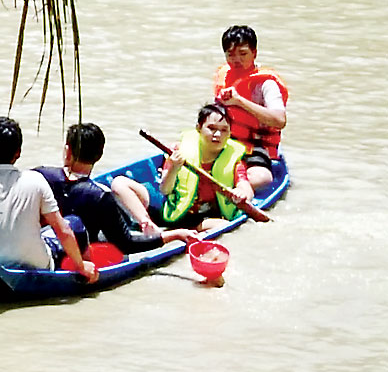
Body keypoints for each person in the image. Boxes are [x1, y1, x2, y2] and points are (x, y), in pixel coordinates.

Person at [0, 117, 98, 281]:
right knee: (74, 222)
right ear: (18, 153)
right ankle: (87, 274)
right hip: (37, 263)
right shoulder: (35, 180)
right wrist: (81, 266)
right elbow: (63, 231)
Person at [33, 123, 197, 258]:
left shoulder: (40, 175)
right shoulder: (100, 197)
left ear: (67, 151)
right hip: (80, 249)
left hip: (43, 242)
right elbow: (127, 244)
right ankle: (145, 222)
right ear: (99, 155)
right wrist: (175, 235)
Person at [110, 104, 254, 234]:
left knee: (223, 226)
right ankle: (147, 224)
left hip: (199, 217)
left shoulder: (233, 159)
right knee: (119, 183)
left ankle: (182, 231)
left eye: (224, 130)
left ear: (229, 133)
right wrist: (174, 168)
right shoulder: (178, 150)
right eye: (211, 128)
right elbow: (165, 189)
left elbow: (245, 186)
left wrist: (242, 193)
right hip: (171, 204)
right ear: (199, 128)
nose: (217, 135)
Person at [212, 25, 288, 189]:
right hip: (223, 142)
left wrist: (239, 101)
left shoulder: (266, 84)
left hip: (255, 148)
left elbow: (279, 120)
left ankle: (232, 189)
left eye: (243, 53)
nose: (236, 59)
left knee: (262, 178)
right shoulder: (224, 78)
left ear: (254, 53)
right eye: (230, 54)